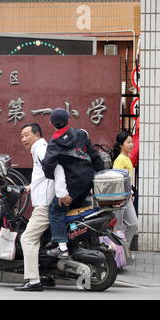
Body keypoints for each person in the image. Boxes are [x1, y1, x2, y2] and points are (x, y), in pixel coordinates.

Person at [42, 108, 104, 259]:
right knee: (73, 213)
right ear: (69, 120)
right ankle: (73, 243)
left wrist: (52, 176)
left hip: (72, 184)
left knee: (55, 210)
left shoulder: (54, 143)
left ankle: (62, 247)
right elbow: (94, 155)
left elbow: (47, 164)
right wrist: (100, 173)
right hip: (87, 181)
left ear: (51, 124)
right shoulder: (81, 134)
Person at [14, 123, 69, 292]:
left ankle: (33, 281)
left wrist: (61, 193)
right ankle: (47, 275)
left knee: (27, 239)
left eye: (26, 135)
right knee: (42, 240)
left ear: (36, 135)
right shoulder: (39, 149)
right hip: (44, 200)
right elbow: (43, 176)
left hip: (45, 205)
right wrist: (28, 187)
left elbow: (57, 167)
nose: (23, 139)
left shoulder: (40, 148)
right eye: (21, 136)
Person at [112, 130, 138, 249]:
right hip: (120, 198)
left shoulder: (127, 158)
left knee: (133, 224)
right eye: (128, 142)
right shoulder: (120, 159)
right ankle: (118, 254)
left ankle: (122, 250)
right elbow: (116, 179)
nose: (132, 144)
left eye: (132, 142)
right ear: (121, 145)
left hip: (127, 197)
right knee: (117, 227)